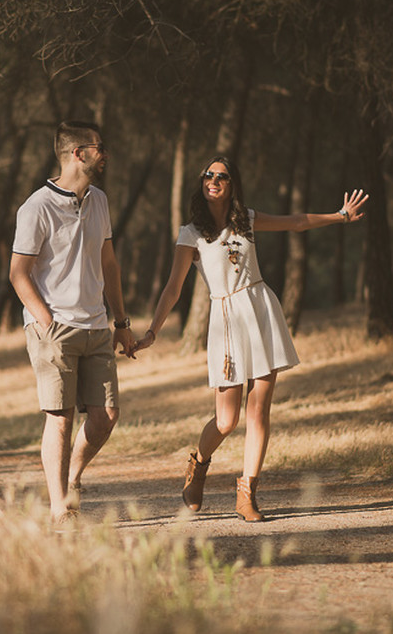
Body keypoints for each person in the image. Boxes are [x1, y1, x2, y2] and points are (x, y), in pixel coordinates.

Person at [133, 156, 367, 522]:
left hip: (260, 311)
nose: (213, 180)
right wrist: (152, 332)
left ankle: (247, 493)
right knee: (226, 421)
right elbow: (173, 288)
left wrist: (341, 216)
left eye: (221, 176)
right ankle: (198, 464)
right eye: (208, 175)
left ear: (232, 184)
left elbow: (297, 223)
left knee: (259, 410)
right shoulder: (190, 233)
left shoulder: (249, 220)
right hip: (225, 321)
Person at [9, 121, 138, 525]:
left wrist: (121, 321)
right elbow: (18, 273)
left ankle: (72, 478)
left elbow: (109, 263)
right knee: (60, 417)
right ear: (78, 154)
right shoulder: (36, 207)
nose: (106, 154)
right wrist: (46, 322)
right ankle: (58, 506)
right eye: (100, 147)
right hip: (55, 328)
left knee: (106, 416)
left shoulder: (99, 200)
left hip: (97, 325)